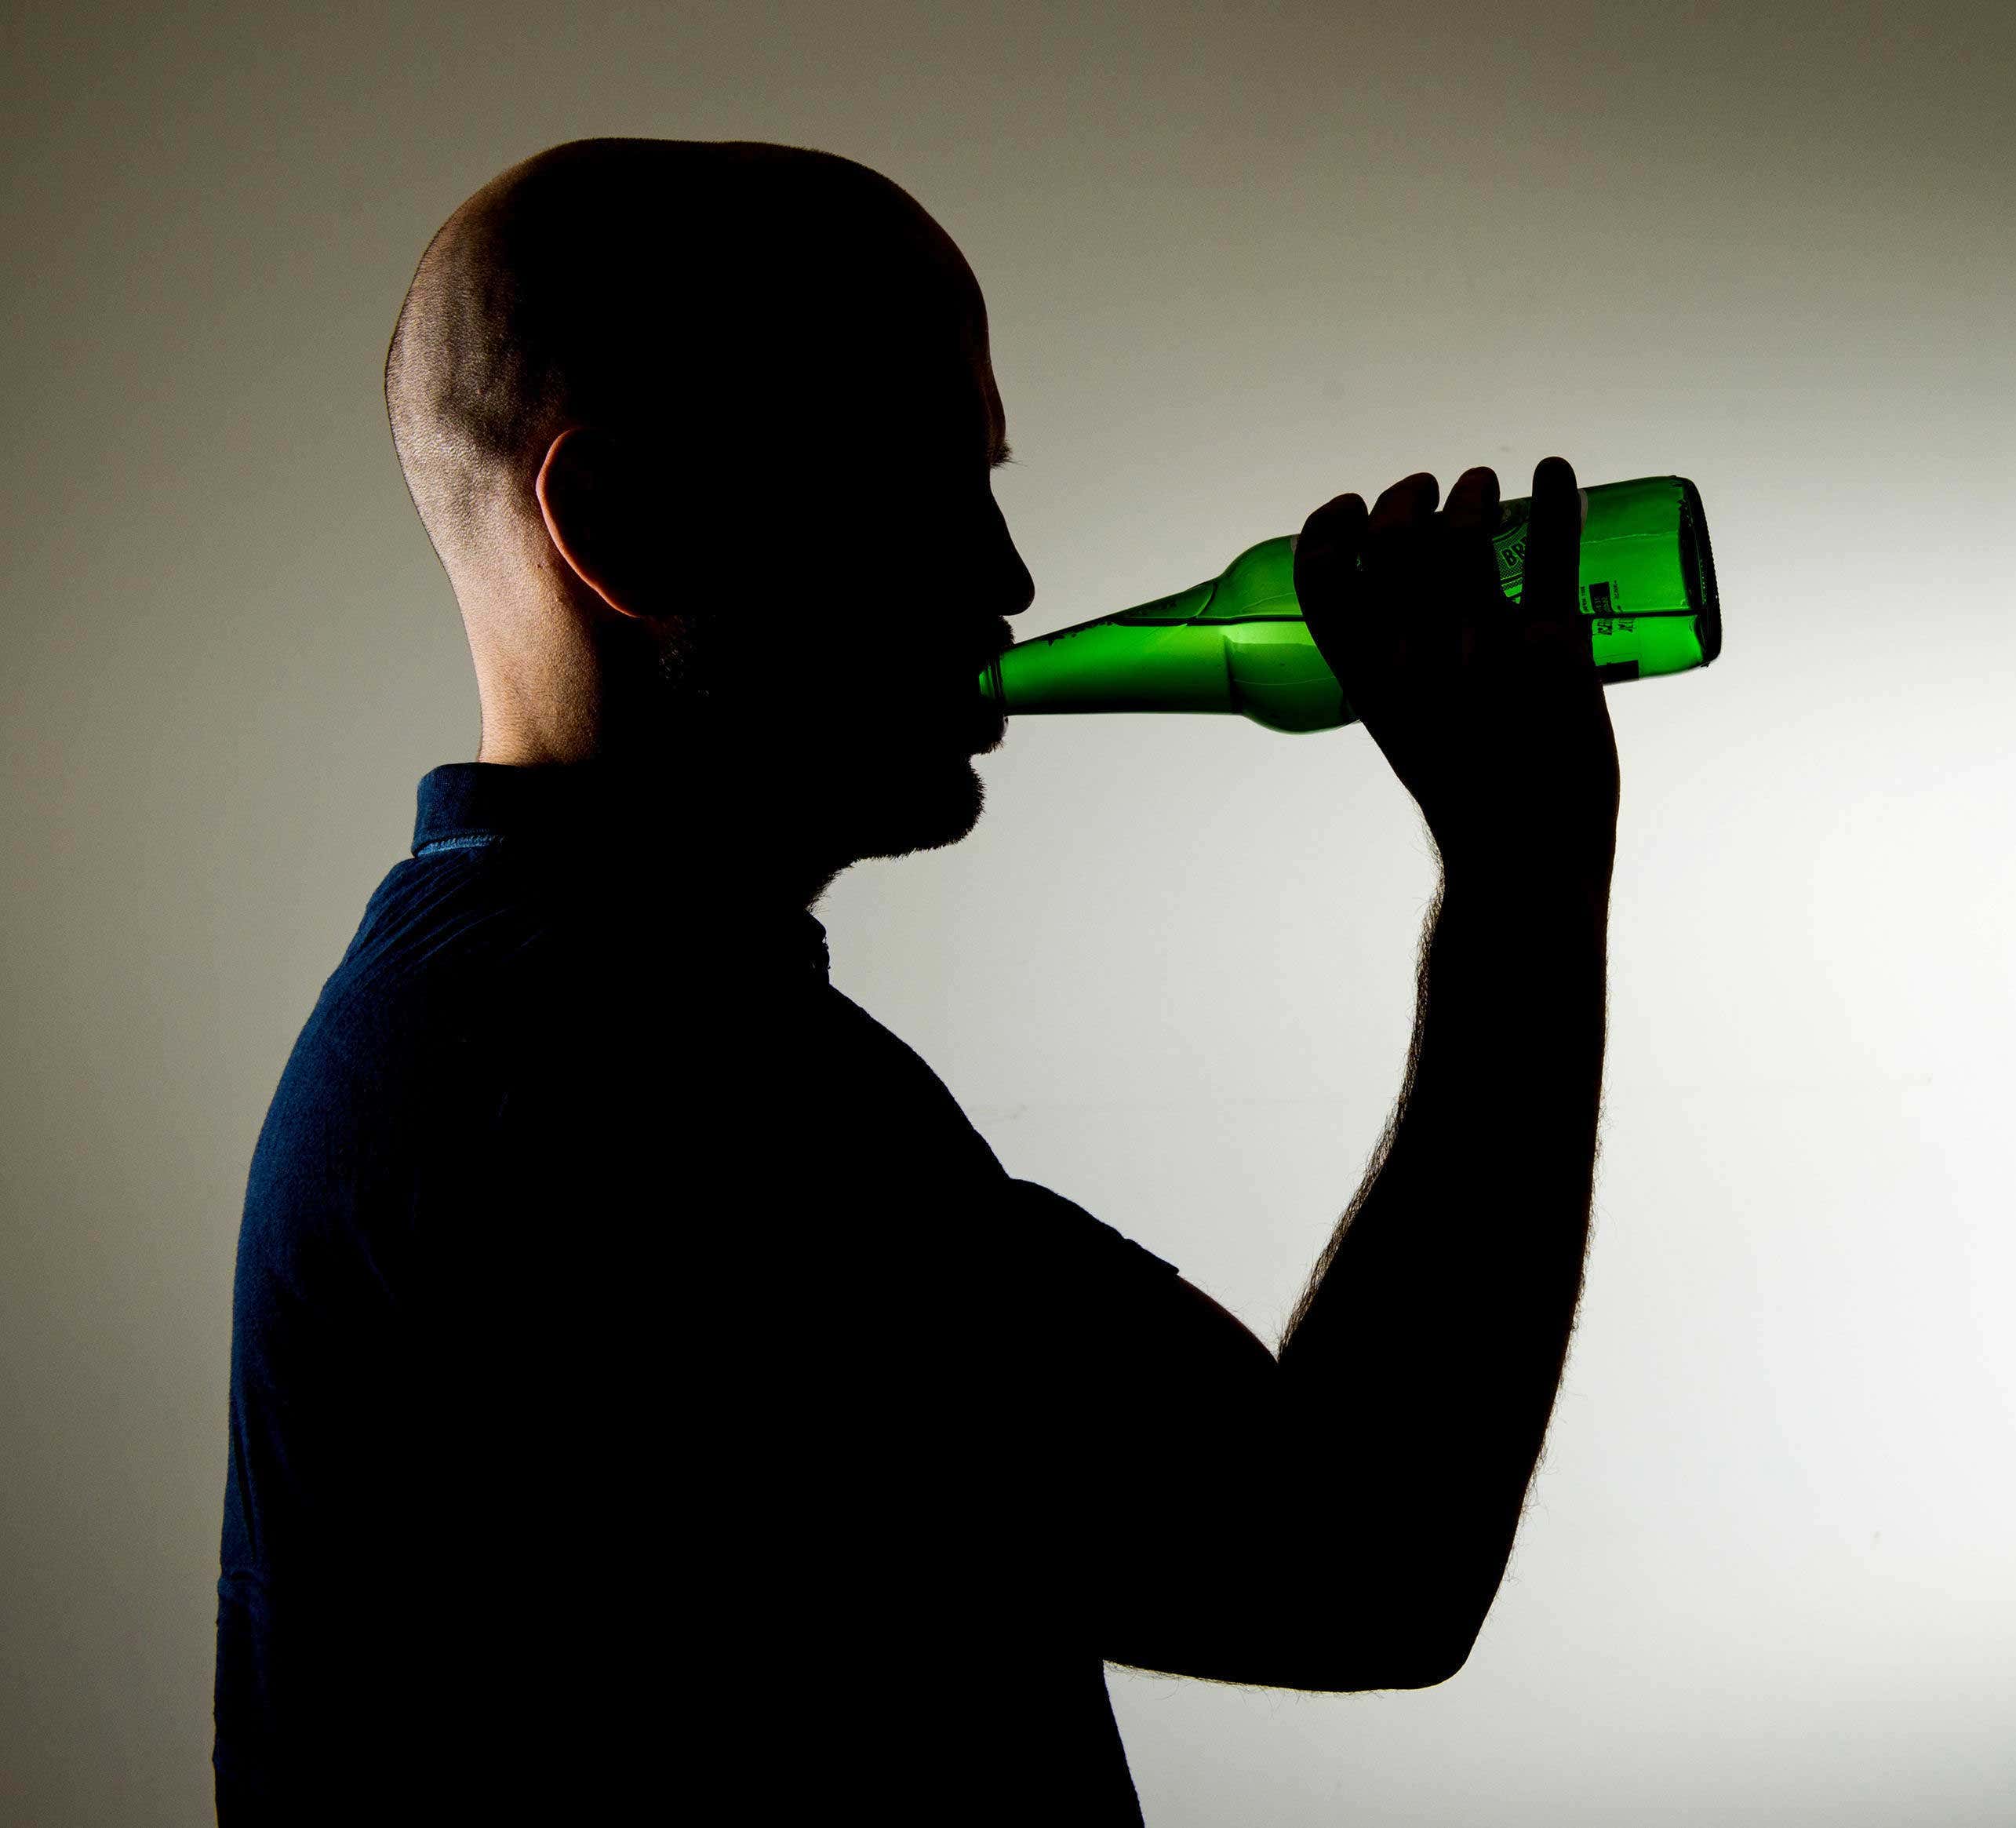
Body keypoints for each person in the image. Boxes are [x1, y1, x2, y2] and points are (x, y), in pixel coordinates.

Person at [215, 137, 1618, 1823]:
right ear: (620, 525)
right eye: (915, 478)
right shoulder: (635, 1082)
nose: (1009, 579)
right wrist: (1524, 880)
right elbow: (1355, 1559)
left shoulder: (475, 1012)